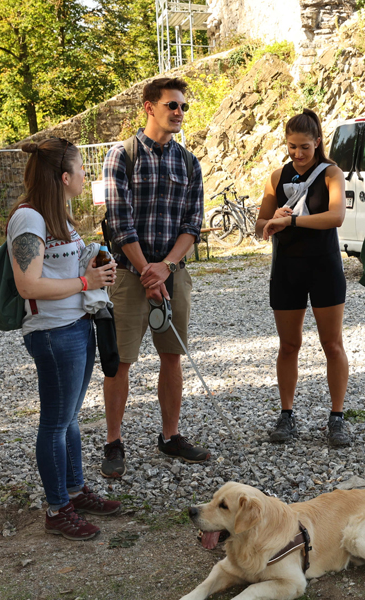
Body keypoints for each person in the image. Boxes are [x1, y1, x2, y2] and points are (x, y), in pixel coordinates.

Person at [8, 137, 122, 541]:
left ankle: (74, 491)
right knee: (55, 424)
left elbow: (60, 270)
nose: (85, 174)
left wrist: (93, 264)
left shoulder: (58, 216)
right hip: (53, 334)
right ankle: (58, 509)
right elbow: (28, 285)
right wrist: (85, 281)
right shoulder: (29, 219)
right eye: (80, 168)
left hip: (75, 326)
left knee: (69, 418)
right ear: (63, 177)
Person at [101, 77, 209, 477]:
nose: (179, 112)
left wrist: (166, 267)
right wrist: (148, 271)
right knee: (120, 361)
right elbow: (119, 222)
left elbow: (192, 224)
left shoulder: (189, 162)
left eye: (183, 106)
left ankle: (170, 436)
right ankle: (113, 441)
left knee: (172, 356)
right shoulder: (121, 155)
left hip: (172, 274)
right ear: (149, 107)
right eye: (171, 105)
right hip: (129, 276)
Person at [255, 109, 351, 447]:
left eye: (305, 147)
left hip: (324, 267)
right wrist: (273, 218)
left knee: (332, 344)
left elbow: (336, 216)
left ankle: (337, 417)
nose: (298, 154)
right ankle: (286, 414)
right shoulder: (276, 177)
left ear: (318, 142)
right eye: (292, 147)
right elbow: (259, 225)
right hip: (286, 268)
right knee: (288, 345)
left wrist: (291, 221)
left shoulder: (331, 173)